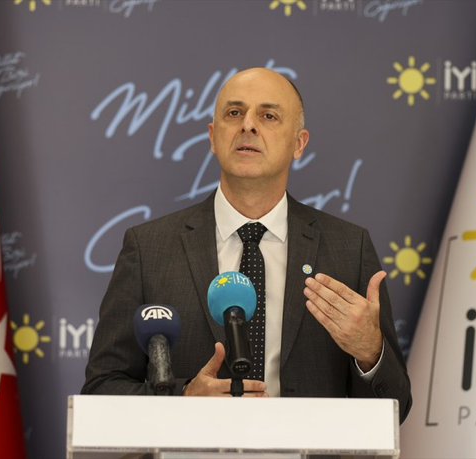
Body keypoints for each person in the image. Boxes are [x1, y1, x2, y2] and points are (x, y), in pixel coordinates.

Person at [82, 67, 412, 422]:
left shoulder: (348, 248)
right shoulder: (149, 249)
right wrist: (183, 398)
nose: (248, 125)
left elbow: (395, 410)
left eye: (268, 116)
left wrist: (370, 353)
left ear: (299, 144)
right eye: (234, 113)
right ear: (213, 137)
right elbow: (101, 391)